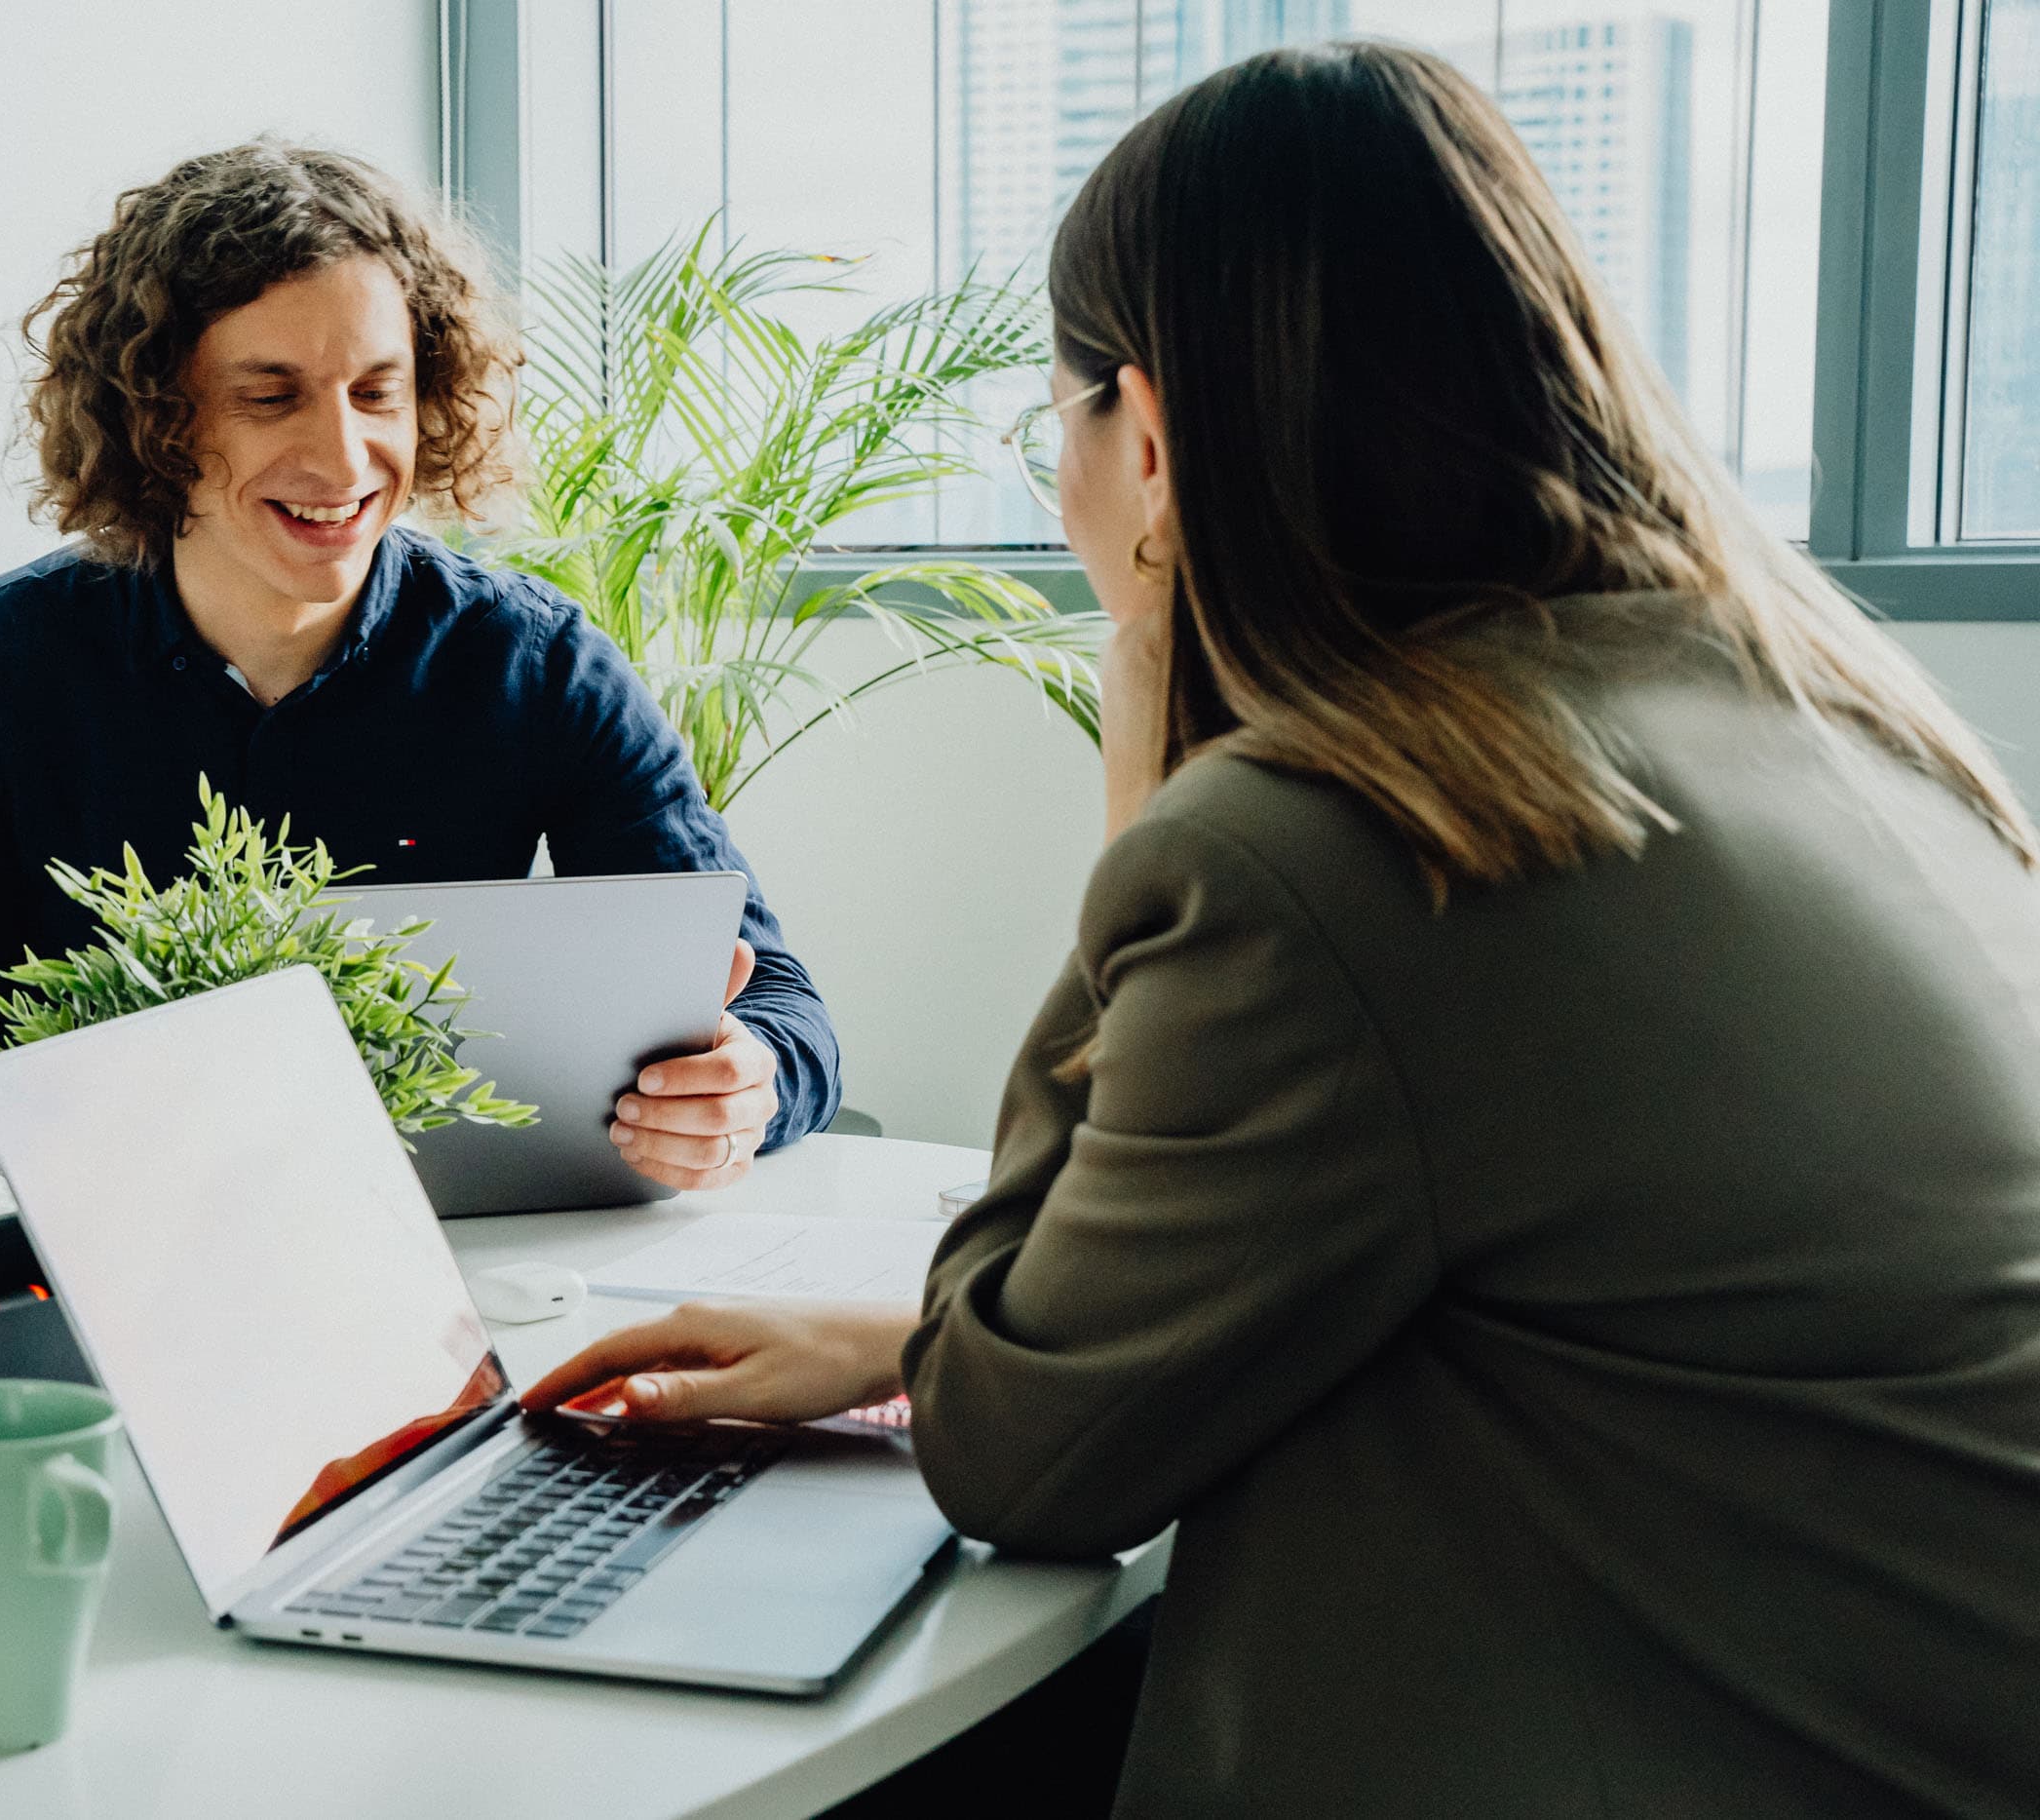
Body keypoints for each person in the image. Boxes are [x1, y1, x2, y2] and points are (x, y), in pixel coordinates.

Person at [527, 42, 2040, 1817]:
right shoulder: (1813, 715)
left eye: (1062, 425)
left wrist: (1151, 770)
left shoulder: (1338, 843)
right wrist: (898, 1342)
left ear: (1150, 440)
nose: (1060, 488)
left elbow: (1031, 1459)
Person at [0, 141, 837, 1186]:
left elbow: (781, 1009)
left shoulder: (534, 667)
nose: (345, 459)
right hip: (102, 1258)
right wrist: (96, 1142)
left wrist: (745, 1082)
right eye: (271, 398)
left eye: (376, 392)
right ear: (156, 420)